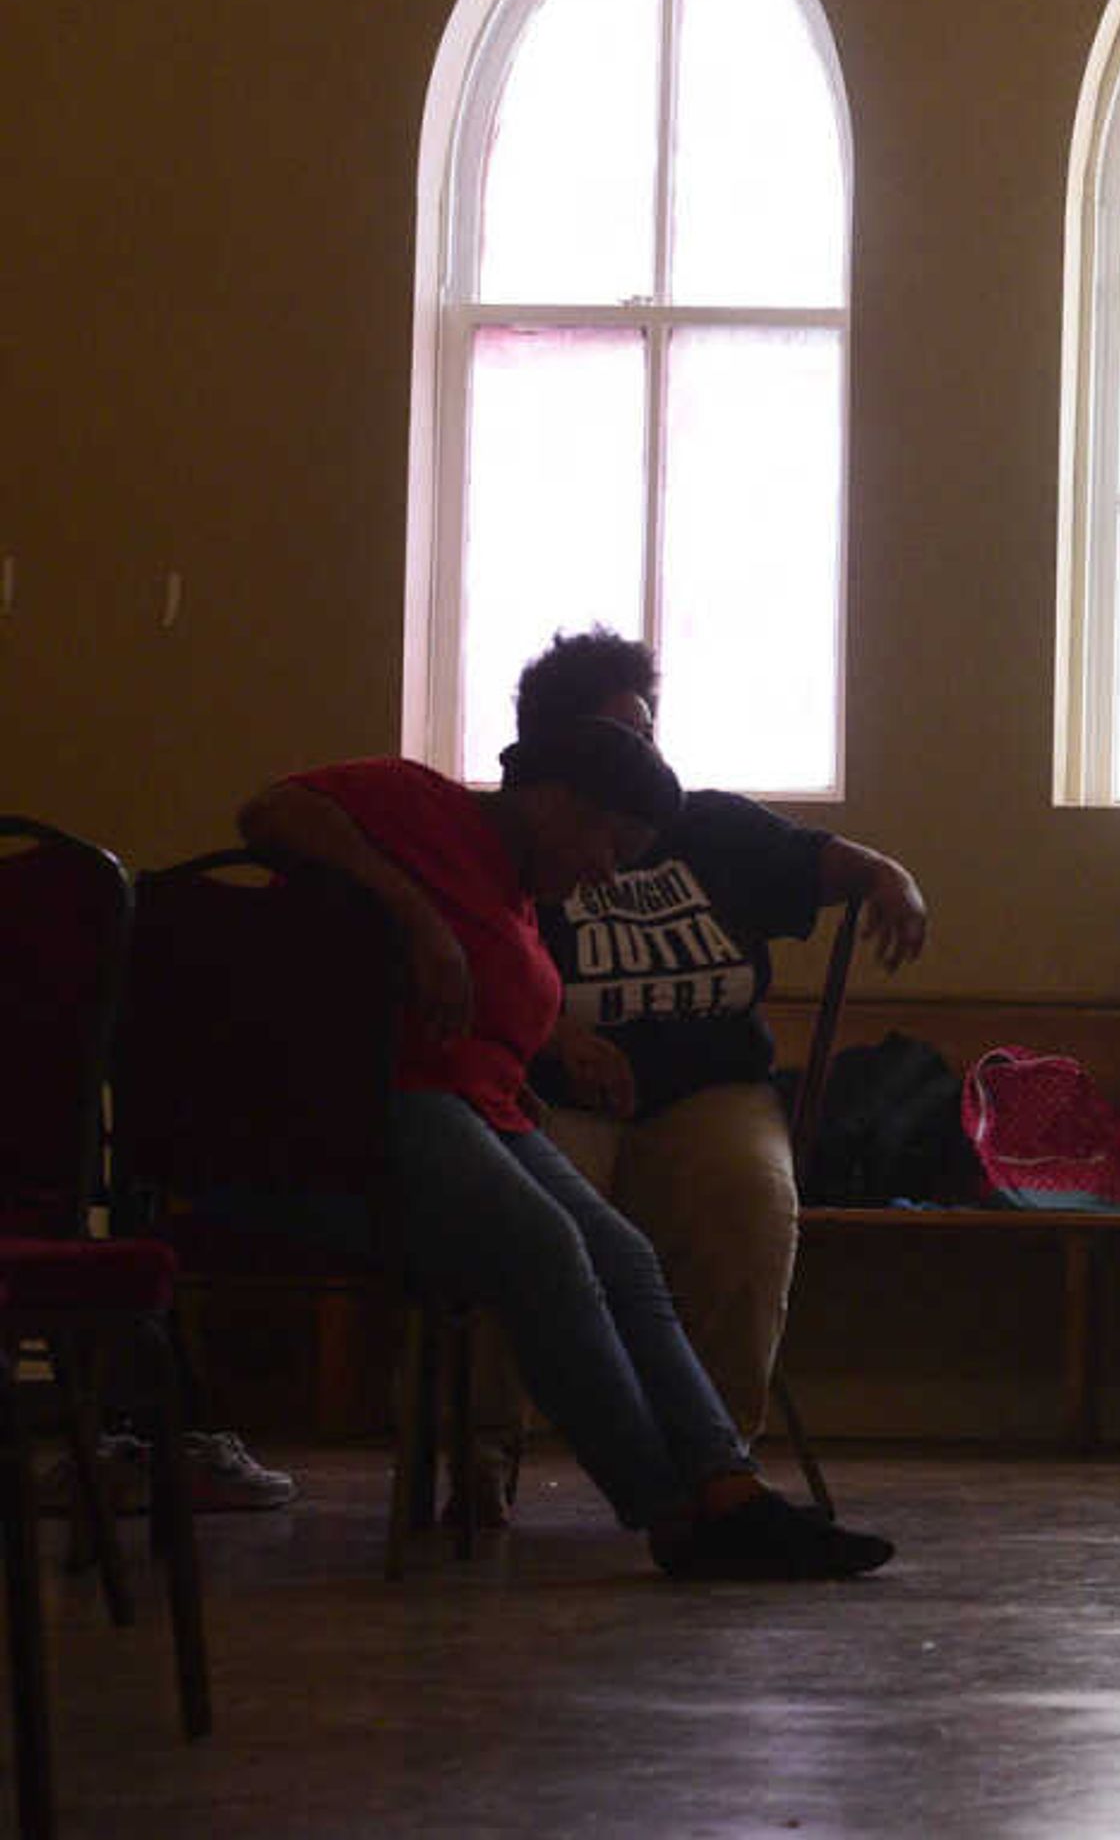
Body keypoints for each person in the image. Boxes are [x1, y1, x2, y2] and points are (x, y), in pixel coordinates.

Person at [235, 719, 889, 1578]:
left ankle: (729, 1487)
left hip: (487, 1107)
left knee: (625, 1256)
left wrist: (550, 1047)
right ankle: (675, 1517)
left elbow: (499, 1010)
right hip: (383, 1096)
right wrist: (414, 915)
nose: (607, 872)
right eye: (608, 841)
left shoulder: (520, 904)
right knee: (549, 1250)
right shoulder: (420, 803)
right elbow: (270, 813)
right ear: (550, 799)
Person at [479, 631, 929, 1498]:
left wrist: (892, 881)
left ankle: (717, 1458)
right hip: (555, 1088)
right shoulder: (514, 840)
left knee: (748, 1197)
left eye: (647, 732)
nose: (642, 753)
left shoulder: (709, 825)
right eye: (617, 738)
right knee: (518, 1210)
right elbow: (476, 972)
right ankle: (487, 1448)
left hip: (709, 1087)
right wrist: (549, 1039)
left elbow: (832, 863)